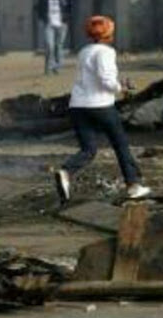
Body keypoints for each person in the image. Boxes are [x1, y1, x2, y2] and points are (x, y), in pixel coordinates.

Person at [54, 15, 151, 205]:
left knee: (88, 150)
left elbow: (92, 78)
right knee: (121, 144)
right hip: (100, 106)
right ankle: (133, 185)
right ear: (108, 34)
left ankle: (66, 171)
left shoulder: (84, 51)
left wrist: (116, 84)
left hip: (78, 106)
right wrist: (121, 88)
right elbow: (105, 80)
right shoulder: (106, 52)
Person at [36, 0, 71, 75]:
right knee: (49, 46)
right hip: (49, 24)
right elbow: (38, 8)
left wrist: (67, 18)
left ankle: (57, 67)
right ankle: (48, 68)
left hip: (62, 24)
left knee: (58, 46)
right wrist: (43, 18)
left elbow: (70, 7)